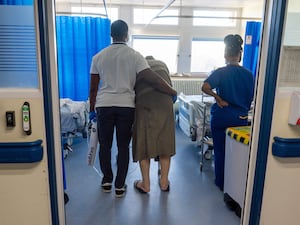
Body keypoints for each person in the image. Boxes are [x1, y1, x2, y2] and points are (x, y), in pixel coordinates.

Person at [89, 20, 177, 198]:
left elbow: (93, 88)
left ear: (111, 34)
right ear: (126, 34)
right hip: (126, 106)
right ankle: (120, 186)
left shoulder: (98, 57)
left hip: (104, 106)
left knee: (105, 146)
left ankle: (107, 181)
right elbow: (152, 79)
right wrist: (171, 90)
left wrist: (92, 110)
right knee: (123, 147)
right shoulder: (135, 56)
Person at [201, 34, 254, 191]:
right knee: (238, 154)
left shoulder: (222, 72)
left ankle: (221, 183)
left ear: (225, 55)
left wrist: (218, 98)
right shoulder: (249, 74)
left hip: (222, 116)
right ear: (240, 55)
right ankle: (236, 184)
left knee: (220, 150)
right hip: (241, 118)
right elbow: (251, 96)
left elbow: (205, 87)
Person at [132, 56, 176, 193]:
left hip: (144, 103)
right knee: (165, 143)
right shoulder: (163, 63)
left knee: (143, 143)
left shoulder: (137, 65)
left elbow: (132, 88)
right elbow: (168, 84)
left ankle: (145, 184)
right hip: (165, 103)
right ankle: (164, 183)